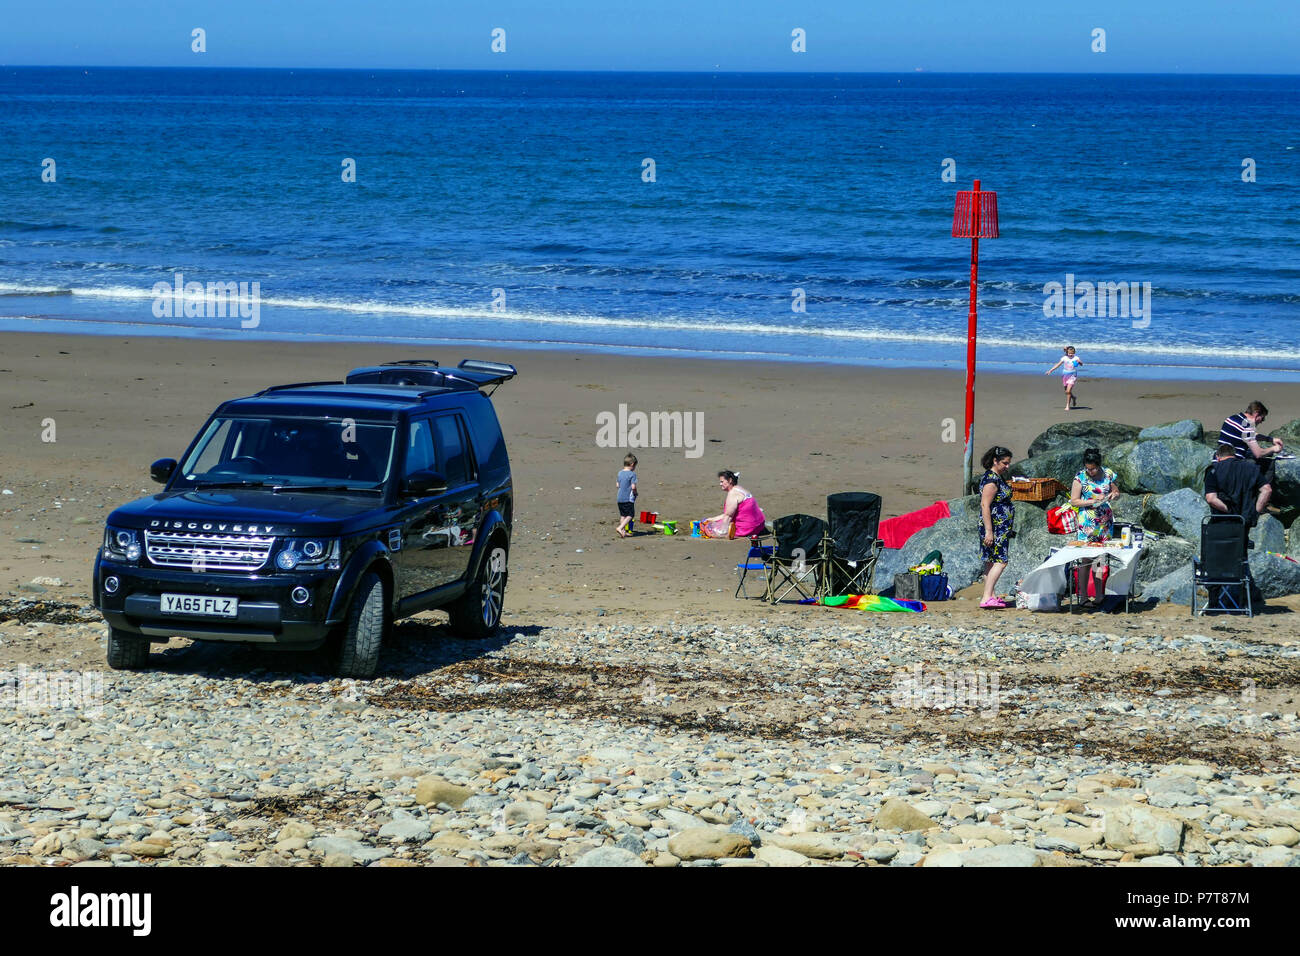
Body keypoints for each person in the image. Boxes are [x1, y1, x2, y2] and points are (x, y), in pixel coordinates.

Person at [1069, 447, 1121, 604]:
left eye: (1093, 468)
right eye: (1088, 468)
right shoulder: (1080, 478)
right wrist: (1092, 501)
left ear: (1099, 465)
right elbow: (1074, 500)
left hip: (1104, 521)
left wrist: (1114, 495)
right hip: (1088, 521)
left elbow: (1116, 490)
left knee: (1100, 558)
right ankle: (1083, 596)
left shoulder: (1108, 474)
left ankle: (1099, 595)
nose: (1090, 471)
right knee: (1085, 558)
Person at [1217, 401, 1284, 514]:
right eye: (1262, 419)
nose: (1261, 422)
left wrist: (1270, 439)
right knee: (1267, 463)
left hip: (1219, 461)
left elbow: (1250, 435)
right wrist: (1274, 449)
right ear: (1256, 414)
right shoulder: (1247, 426)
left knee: (1251, 459)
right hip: (1233, 466)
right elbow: (1258, 453)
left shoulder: (1233, 418)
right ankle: (1263, 504)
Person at [977, 446, 1015, 608]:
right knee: (1001, 561)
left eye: (1008, 463)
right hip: (995, 527)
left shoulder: (996, 477)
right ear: (995, 461)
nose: (1007, 466)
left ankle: (991, 595)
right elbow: (985, 505)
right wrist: (989, 532)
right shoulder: (992, 480)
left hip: (999, 527)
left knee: (991, 561)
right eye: (1004, 463)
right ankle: (986, 597)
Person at [1205, 443, 1267, 526]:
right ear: (1234, 455)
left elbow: (1211, 499)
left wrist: (1230, 511)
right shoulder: (1251, 468)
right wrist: (1255, 512)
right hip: (1244, 520)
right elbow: (1267, 490)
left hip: (1221, 520)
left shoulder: (1213, 470)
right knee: (1242, 538)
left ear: (1217, 457)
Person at [701, 470, 766, 539]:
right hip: (760, 525)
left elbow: (728, 516)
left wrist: (720, 532)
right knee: (715, 521)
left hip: (748, 529)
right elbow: (728, 513)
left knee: (710, 529)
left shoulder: (733, 494)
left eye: (722, 482)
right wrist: (712, 519)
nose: (720, 484)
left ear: (730, 480)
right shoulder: (740, 489)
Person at [1045, 345, 1083, 411]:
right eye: (1069, 353)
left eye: (1072, 353)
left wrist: (1079, 362)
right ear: (1067, 353)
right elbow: (1057, 365)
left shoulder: (1076, 358)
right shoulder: (1064, 358)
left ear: (1074, 352)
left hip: (1072, 375)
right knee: (1067, 392)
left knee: (1068, 391)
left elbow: (1081, 363)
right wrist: (1050, 370)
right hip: (1065, 375)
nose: (1071, 354)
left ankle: (1067, 406)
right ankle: (1073, 398)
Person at [615, 453, 638, 538]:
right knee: (631, 515)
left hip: (619, 498)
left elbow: (617, 485)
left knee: (623, 515)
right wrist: (635, 493)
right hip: (627, 498)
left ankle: (623, 531)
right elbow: (633, 486)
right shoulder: (632, 474)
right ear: (632, 464)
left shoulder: (620, 473)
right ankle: (620, 527)